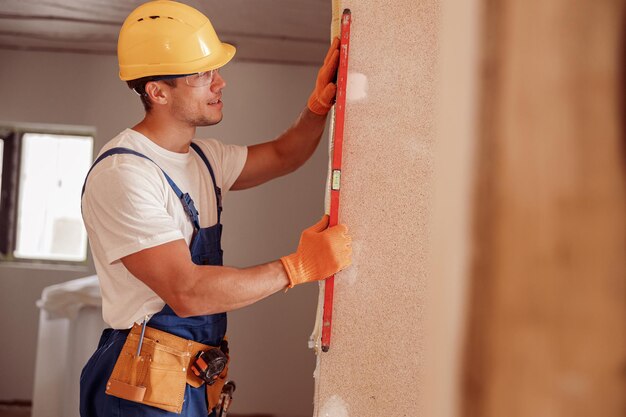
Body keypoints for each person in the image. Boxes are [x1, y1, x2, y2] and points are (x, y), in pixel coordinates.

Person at [78, 1, 352, 416]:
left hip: (188, 376)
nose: (220, 82)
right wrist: (295, 268)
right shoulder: (126, 174)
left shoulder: (203, 158)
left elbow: (283, 154)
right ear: (157, 91)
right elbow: (187, 292)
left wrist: (317, 107)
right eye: (201, 74)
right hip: (141, 385)